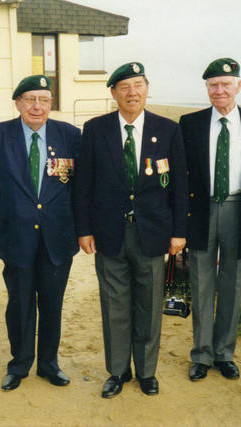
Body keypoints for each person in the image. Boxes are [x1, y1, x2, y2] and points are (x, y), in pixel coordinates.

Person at [74, 62, 188, 398]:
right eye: (124, 86)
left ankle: (147, 372)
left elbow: (180, 185)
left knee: (150, 306)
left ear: (147, 89)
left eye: (138, 85)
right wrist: (84, 229)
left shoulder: (167, 130)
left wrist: (179, 232)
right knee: (115, 306)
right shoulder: (95, 129)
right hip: (109, 234)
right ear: (113, 93)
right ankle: (118, 371)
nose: (132, 92)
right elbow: (84, 185)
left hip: (153, 234)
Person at [0, 75, 80, 392]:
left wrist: (80, 232)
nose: (37, 106)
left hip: (58, 238)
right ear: (18, 103)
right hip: (15, 237)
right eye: (30, 99)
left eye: (44, 100)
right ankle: (19, 364)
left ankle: (49, 365)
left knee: (52, 304)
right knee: (20, 305)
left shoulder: (71, 135)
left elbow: (81, 190)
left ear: (51, 103)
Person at [179, 58, 241, 382]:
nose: (219, 90)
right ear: (206, 88)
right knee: (202, 284)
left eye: (225, 84)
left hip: (239, 211)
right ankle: (202, 355)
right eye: (212, 85)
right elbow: (182, 178)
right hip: (201, 210)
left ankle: (224, 353)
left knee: (233, 283)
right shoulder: (188, 124)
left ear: (238, 86)